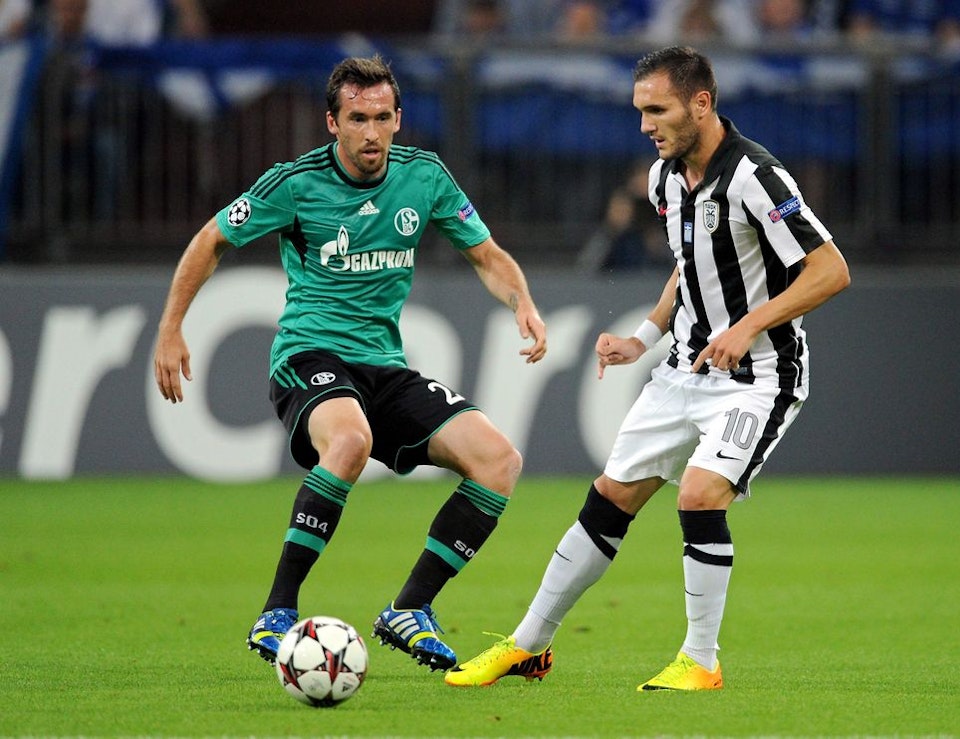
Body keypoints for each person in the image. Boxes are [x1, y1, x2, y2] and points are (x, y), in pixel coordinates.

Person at [444, 45, 849, 690]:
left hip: (758, 377)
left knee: (699, 495)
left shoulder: (756, 177)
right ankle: (528, 645)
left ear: (701, 103)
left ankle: (701, 661)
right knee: (610, 499)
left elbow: (830, 270)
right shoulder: (663, 179)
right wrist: (643, 338)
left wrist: (748, 325)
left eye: (657, 110)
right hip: (683, 371)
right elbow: (689, 269)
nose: (645, 125)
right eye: (640, 111)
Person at [153, 55, 547, 671]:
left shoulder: (424, 177)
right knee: (350, 440)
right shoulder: (295, 183)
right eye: (357, 119)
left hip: (384, 367)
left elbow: (487, 255)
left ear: (399, 119)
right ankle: (277, 611)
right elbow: (212, 240)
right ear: (332, 122)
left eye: (382, 118)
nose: (371, 133)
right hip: (309, 354)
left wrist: (522, 300)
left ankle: (409, 608)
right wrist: (171, 327)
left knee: (499, 461)